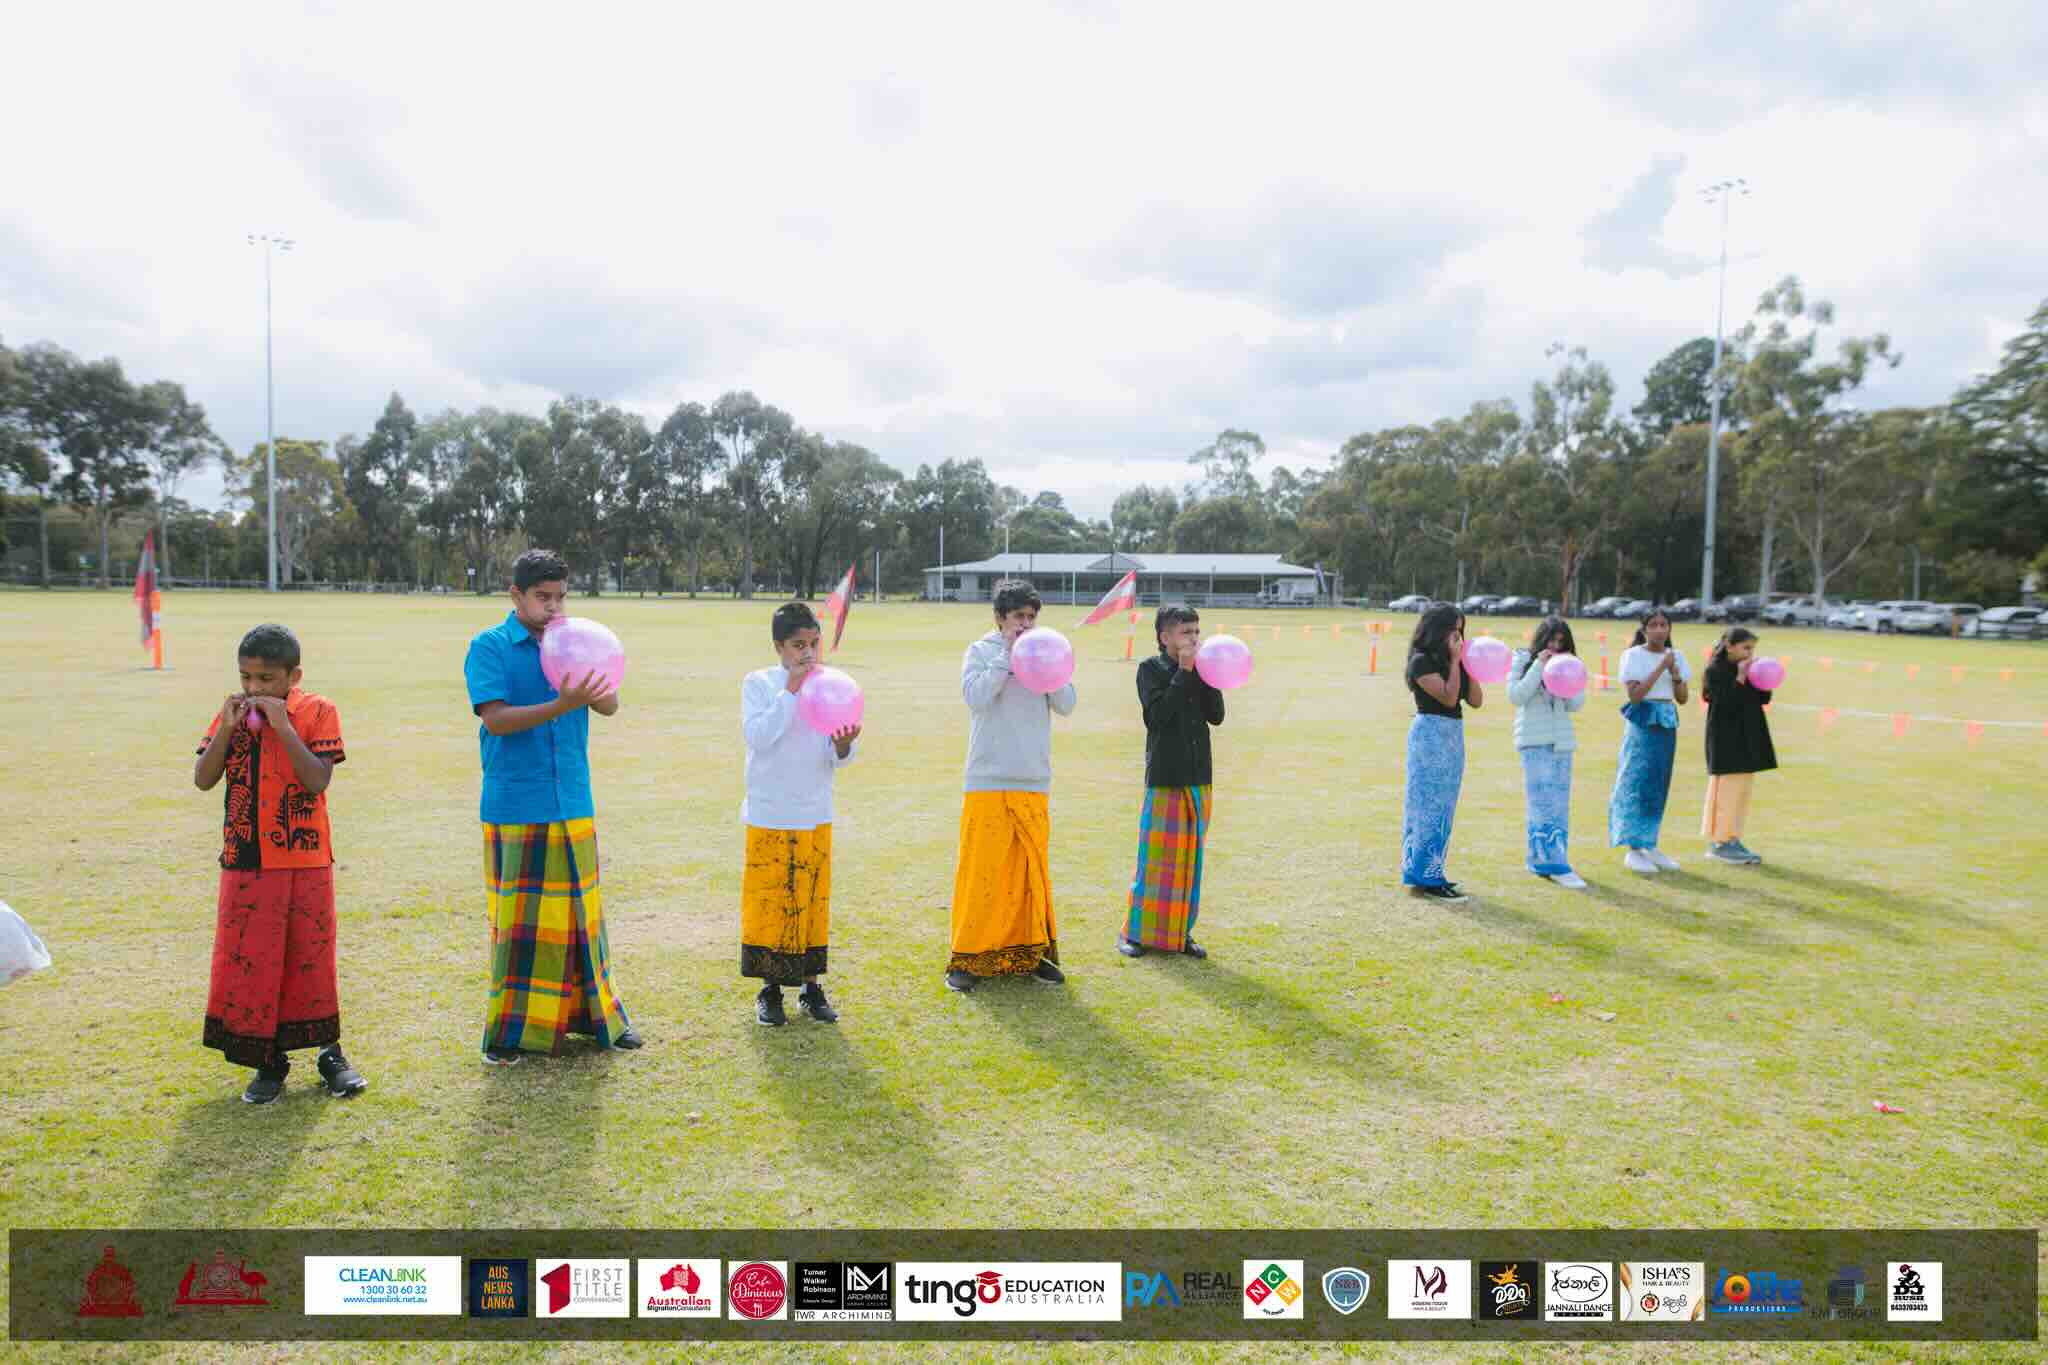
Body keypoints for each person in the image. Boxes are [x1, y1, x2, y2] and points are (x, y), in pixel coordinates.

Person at [462, 548, 643, 1064]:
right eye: (542, 597)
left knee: (583, 919)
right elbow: (496, 719)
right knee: (519, 927)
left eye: (561, 597)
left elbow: (609, 704)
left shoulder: (576, 640)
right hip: (517, 803)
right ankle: (509, 1035)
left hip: (573, 800)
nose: (553, 607)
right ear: (515, 595)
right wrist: (562, 704)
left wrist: (587, 686)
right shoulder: (490, 646)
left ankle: (598, 1019)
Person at [193, 623, 366, 1104]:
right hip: (245, 858)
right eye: (246, 677)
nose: (254, 688)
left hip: (305, 858)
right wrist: (228, 728)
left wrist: (284, 725)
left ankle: (329, 1054)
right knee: (252, 960)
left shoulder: (318, 710)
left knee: (310, 955)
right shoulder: (230, 714)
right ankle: (268, 1062)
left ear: (294, 677)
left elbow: (316, 781)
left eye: (266, 679)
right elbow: (203, 779)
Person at [946, 579, 1077, 992]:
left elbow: (1067, 704)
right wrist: (1007, 655)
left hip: (1033, 777)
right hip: (988, 777)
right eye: (1018, 616)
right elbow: (977, 698)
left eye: (1031, 617)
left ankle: (1029, 955)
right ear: (1000, 618)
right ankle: (967, 959)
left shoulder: (1046, 651)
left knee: (1028, 875)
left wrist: (1049, 667)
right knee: (982, 873)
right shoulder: (981, 651)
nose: (1025, 624)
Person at [740, 603, 862, 1025]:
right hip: (771, 811)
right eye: (797, 645)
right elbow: (758, 737)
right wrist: (790, 690)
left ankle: (811, 987)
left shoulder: (832, 686)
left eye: (813, 643)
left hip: (814, 810)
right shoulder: (759, 683)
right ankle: (770, 990)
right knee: (771, 903)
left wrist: (844, 746)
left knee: (811, 902)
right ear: (779, 646)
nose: (807, 653)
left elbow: (837, 755)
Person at [1120, 604, 1225, 959]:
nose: (1193, 639)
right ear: (1165, 637)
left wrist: (1208, 677)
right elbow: (1157, 717)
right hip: (1166, 778)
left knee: (1190, 862)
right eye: (1185, 633)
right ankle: (1135, 933)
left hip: (1199, 778)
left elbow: (1217, 716)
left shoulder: (1204, 669)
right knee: (1156, 861)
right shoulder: (1150, 669)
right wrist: (1183, 672)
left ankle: (1182, 933)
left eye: (1196, 632)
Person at [1402, 603, 1481, 902]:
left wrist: (1467, 665)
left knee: (1444, 809)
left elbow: (1476, 700)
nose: (1459, 637)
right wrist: (1456, 660)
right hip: (1429, 737)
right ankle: (1425, 876)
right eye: (1454, 631)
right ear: (1438, 630)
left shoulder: (1455, 663)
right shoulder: (1420, 662)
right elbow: (1448, 698)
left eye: (1461, 631)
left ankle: (1432, 872)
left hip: (1453, 738)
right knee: (1426, 808)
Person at [1608, 607, 1692, 874]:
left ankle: (1650, 843)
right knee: (1637, 780)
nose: (1659, 629)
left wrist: (1675, 673)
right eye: (1653, 625)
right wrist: (1661, 667)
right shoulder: (1633, 656)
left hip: (1666, 720)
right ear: (1644, 629)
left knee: (1658, 782)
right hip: (1643, 719)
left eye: (1663, 624)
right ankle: (1633, 848)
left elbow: (1682, 698)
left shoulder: (1677, 656)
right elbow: (1635, 695)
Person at [1507, 616, 1588, 889]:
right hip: (1533, 741)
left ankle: (1543, 860)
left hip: (1561, 743)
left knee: (1559, 805)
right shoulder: (1523, 660)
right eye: (1551, 640)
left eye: (1561, 642)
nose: (1555, 646)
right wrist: (1539, 666)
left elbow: (1576, 704)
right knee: (1541, 805)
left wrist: (1566, 677)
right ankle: (1553, 864)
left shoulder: (1569, 665)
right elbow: (1516, 696)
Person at [1700, 626, 1776, 865]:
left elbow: (1762, 699)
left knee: (1741, 793)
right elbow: (1725, 702)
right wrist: (1741, 676)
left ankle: (1733, 838)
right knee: (1726, 793)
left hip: (1747, 738)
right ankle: (1720, 842)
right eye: (1745, 648)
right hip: (1726, 739)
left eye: (1752, 649)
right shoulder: (1715, 670)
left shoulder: (1748, 669)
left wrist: (1763, 679)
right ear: (1729, 646)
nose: (1749, 653)